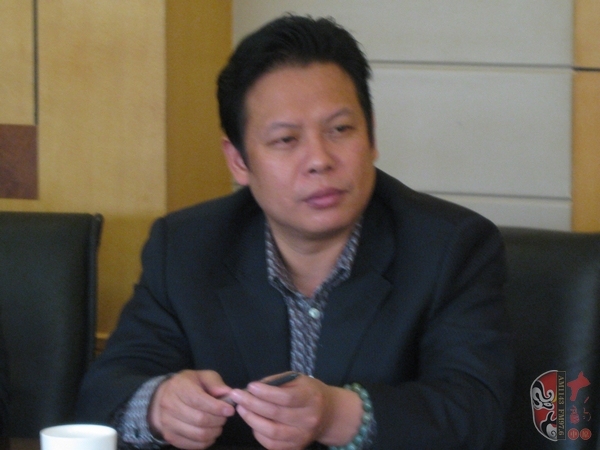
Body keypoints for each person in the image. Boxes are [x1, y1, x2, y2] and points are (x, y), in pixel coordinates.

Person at [76, 15, 514, 449]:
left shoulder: (450, 247)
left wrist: (336, 414)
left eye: (340, 130)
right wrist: (159, 405)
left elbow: (478, 415)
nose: (320, 159)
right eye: (286, 140)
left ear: (371, 135)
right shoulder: (187, 247)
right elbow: (104, 392)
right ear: (239, 161)